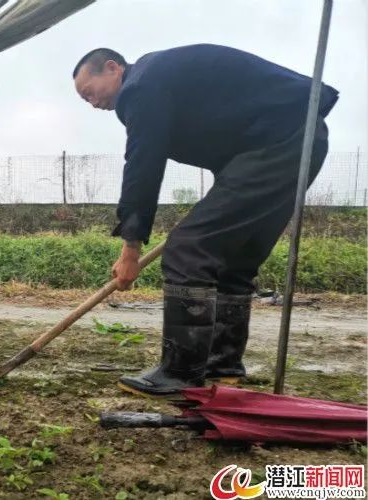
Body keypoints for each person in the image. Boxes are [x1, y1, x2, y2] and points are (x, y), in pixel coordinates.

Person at [72, 44, 338, 396]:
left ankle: (181, 372)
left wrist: (131, 248)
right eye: (85, 101)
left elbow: (143, 165)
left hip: (279, 140)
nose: (92, 104)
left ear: (113, 68)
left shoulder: (141, 86)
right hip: (299, 139)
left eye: (90, 93)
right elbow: (227, 142)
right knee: (233, 258)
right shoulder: (163, 81)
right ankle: (221, 367)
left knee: (188, 249)